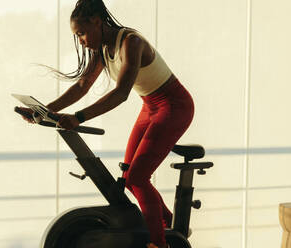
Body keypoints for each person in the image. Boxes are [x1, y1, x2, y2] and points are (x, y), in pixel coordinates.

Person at [18, 0, 194, 247]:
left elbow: (121, 93)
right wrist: (44, 111)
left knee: (138, 177)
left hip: (174, 106)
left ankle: (160, 244)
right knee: (129, 176)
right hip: (151, 106)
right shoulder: (101, 48)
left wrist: (78, 117)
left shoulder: (131, 43)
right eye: (76, 36)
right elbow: (82, 86)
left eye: (81, 33)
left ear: (97, 22)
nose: (80, 40)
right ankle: (171, 227)